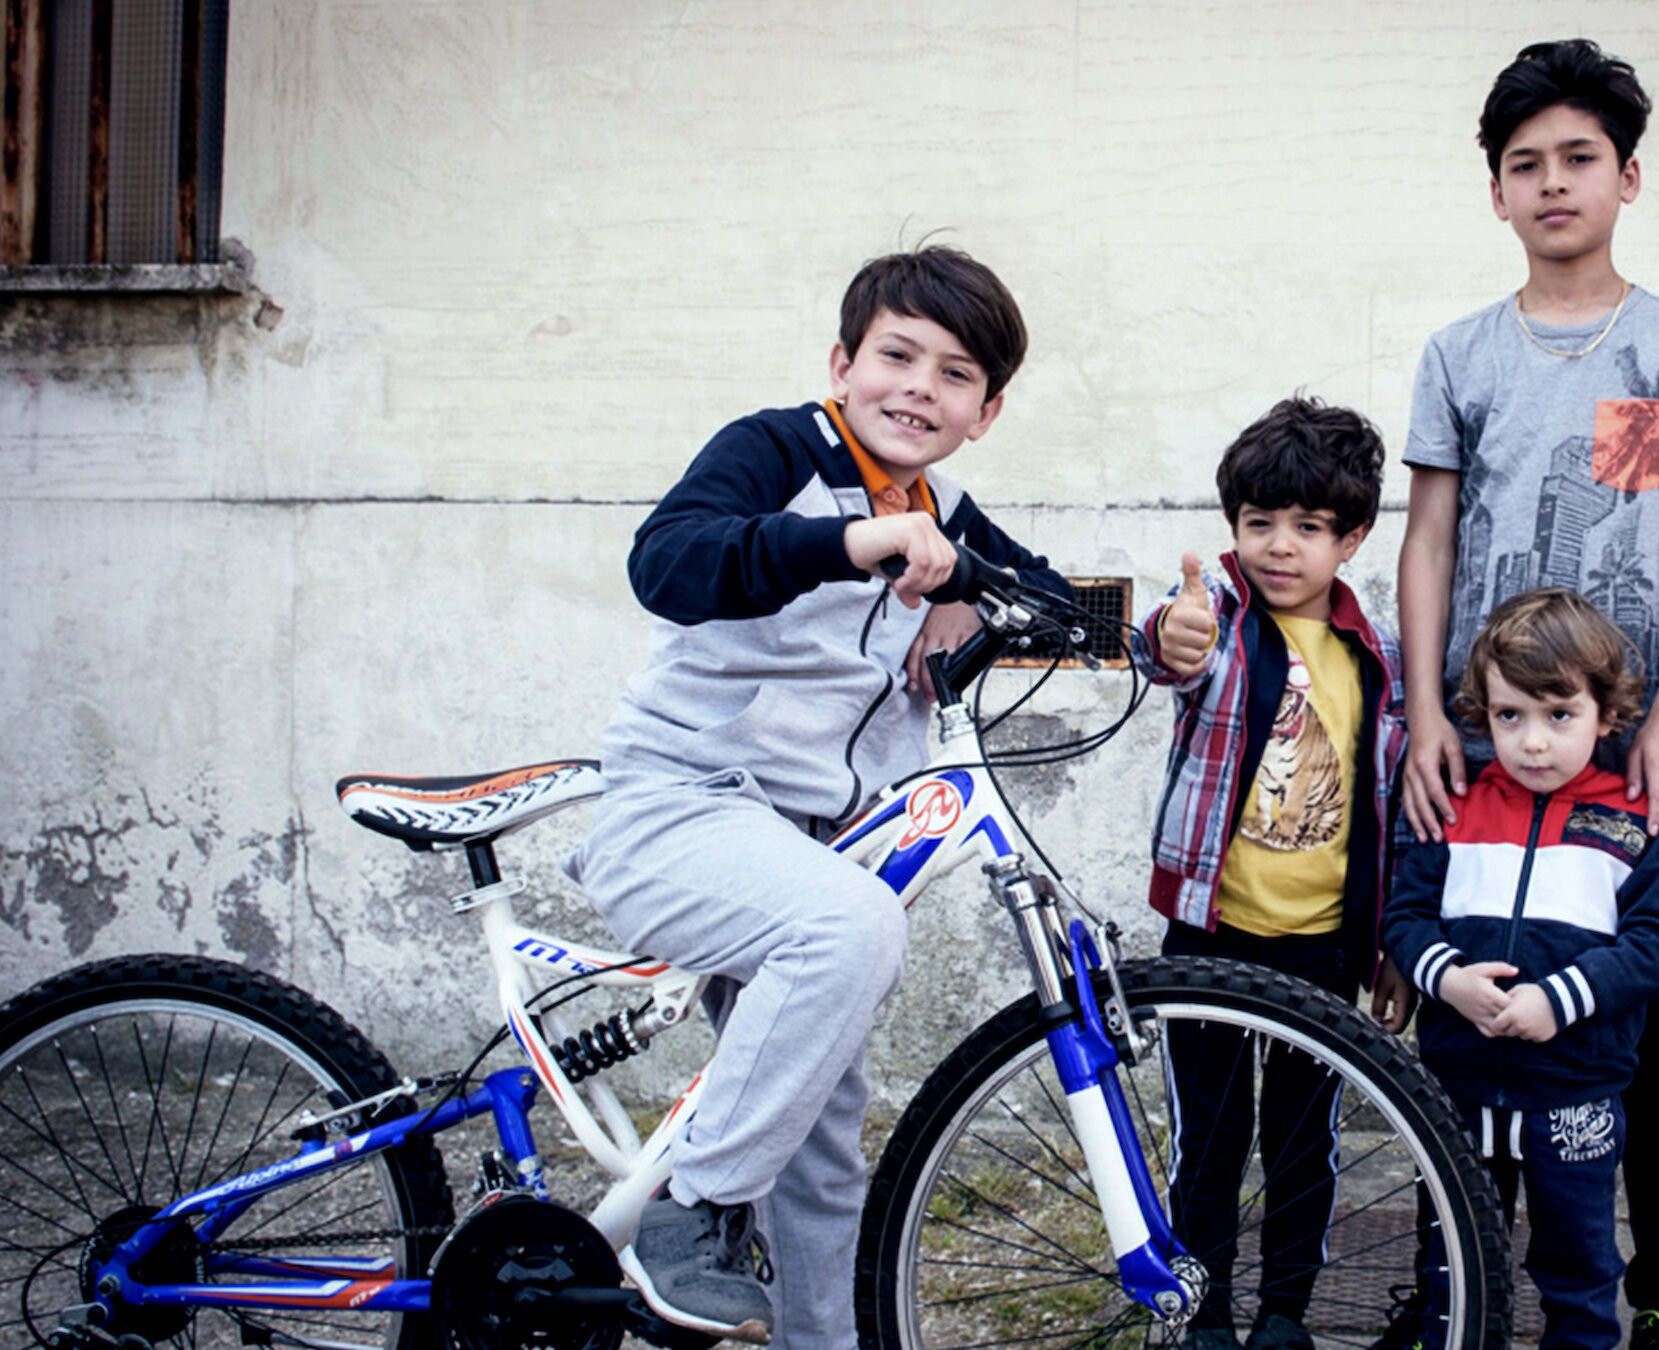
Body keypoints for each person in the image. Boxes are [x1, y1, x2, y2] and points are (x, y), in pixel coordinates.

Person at [564, 245, 1069, 1349]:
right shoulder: (775, 449)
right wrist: (849, 543)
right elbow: (669, 560)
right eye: (896, 356)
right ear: (842, 364)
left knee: (823, 1151)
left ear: (985, 412)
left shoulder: (947, 512)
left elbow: (1053, 601)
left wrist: (1159, 640)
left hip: (813, 852)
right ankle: (693, 1210)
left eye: (955, 375)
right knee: (853, 929)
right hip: (681, 808)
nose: (918, 389)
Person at [1392, 37, 1659, 1350]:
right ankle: (1451, 1285)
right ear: (1496, 190)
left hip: (1623, 747)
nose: (1553, 183)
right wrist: (1427, 719)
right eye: (1525, 163)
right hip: (1488, 742)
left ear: (1627, 177)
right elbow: (1429, 540)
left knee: (1642, 1016)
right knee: (1468, 1004)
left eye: (1579, 158)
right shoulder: (1461, 353)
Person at [1126, 396, 1412, 1350]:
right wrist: (1170, 633)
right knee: (1208, 1143)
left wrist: (1389, 944)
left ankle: (1286, 1312)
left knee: (1302, 1145)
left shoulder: (1379, 658)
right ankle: (1200, 1310)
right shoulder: (1220, 621)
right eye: (1259, 523)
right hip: (1210, 939)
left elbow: (1391, 803)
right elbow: (1171, 650)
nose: (1280, 546)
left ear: (1352, 539)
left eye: (1308, 527)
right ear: (1234, 528)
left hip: (1323, 950)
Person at [1381, 588, 1659, 1350]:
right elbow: (1407, 918)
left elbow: (1658, 943)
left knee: (1578, 1269)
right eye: (1510, 716)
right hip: (1457, 1085)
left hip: (1575, 1090)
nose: (1534, 743)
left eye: (1559, 716)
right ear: (1482, 714)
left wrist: (1560, 1000)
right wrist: (1448, 980)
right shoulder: (1455, 811)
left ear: (1606, 715)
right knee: (1453, 1262)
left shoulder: (1634, 825)